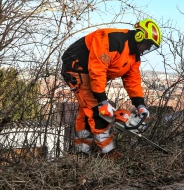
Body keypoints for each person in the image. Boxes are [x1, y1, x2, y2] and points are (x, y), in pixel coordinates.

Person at [61, 18, 162, 160]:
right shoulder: (111, 40)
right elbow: (97, 70)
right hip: (77, 66)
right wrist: (102, 101)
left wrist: (140, 105)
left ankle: (81, 152)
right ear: (140, 36)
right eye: (148, 45)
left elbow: (132, 80)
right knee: (97, 111)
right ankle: (108, 152)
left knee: (86, 111)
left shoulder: (134, 57)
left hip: (92, 74)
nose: (146, 49)